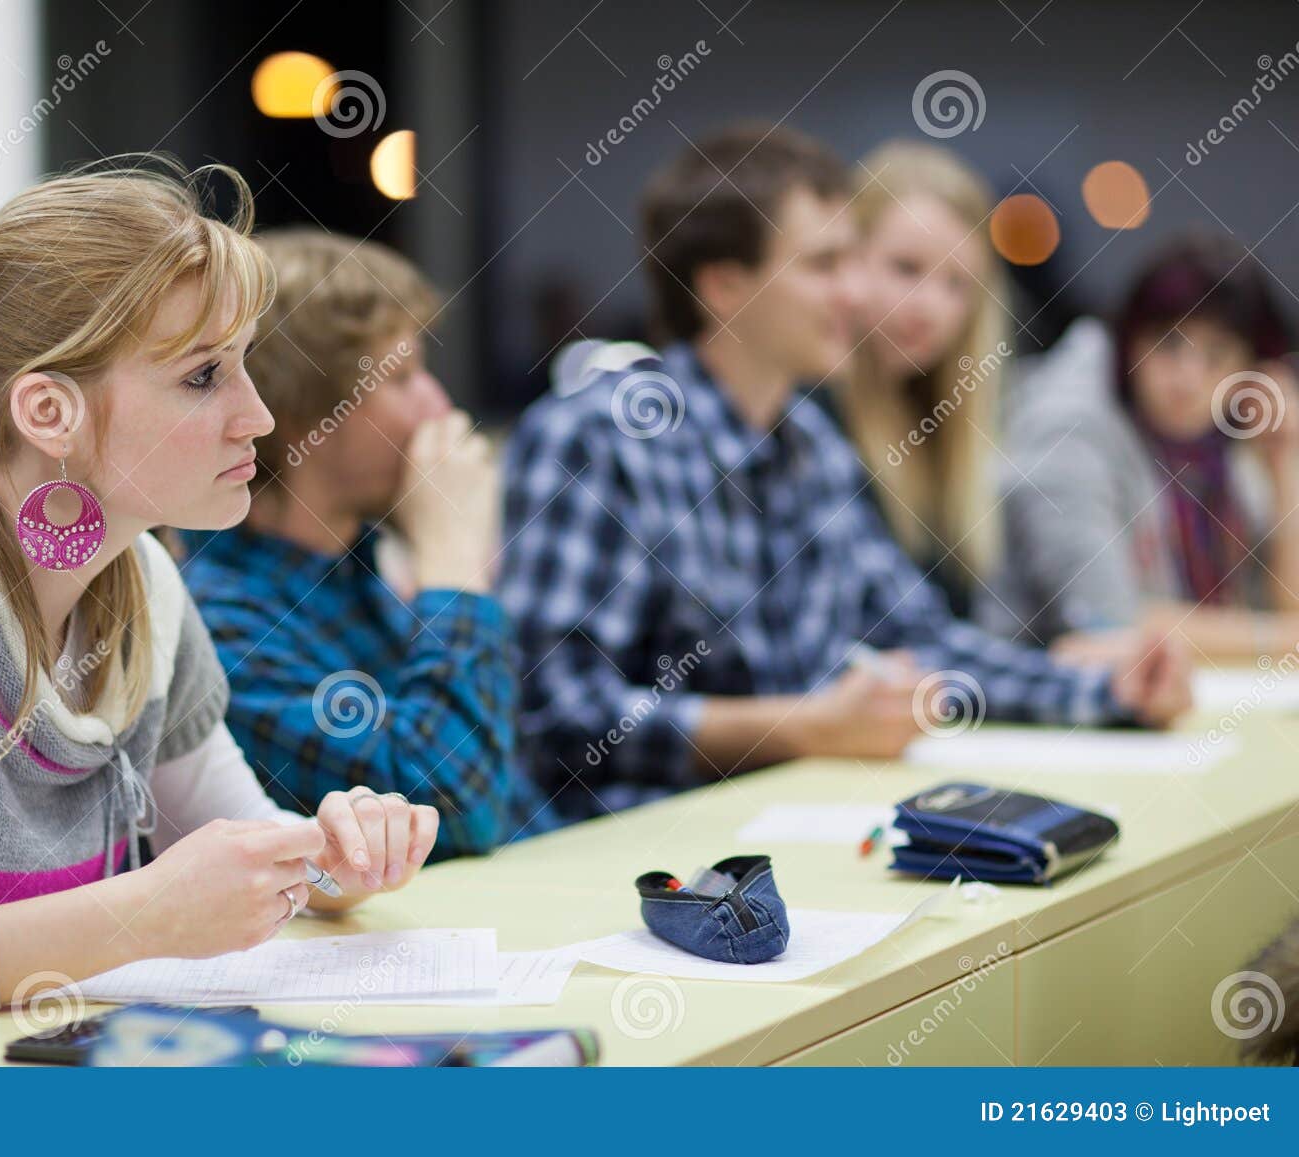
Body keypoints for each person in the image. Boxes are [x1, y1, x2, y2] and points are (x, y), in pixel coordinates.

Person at [0, 161, 438, 1025]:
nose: (259, 417)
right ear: (49, 412)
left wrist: (330, 859)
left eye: (244, 366)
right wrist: (131, 917)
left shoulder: (148, 589)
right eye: (204, 376)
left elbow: (248, 852)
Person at [499, 123, 1192, 819]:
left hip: (782, 833)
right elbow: (558, 719)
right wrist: (803, 725)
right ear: (723, 286)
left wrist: (1110, 693)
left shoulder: (808, 443)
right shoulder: (595, 438)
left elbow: (918, 638)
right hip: (631, 863)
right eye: (825, 265)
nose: (857, 293)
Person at [180, 229, 557, 857]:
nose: (438, 406)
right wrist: (454, 564)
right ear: (300, 412)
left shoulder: (356, 572)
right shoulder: (222, 624)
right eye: (402, 376)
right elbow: (456, 811)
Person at [985, 233, 1299, 658]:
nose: (1188, 379)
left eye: (1217, 354)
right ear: (1129, 339)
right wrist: (1284, 639)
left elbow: (1286, 605)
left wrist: (1287, 459)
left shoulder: (1221, 446)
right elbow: (1109, 621)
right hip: (1033, 702)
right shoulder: (1067, 428)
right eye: (1169, 344)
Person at [819, 140, 1008, 618]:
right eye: (906, 268)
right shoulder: (807, 418)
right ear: (844, 260)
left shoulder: (943, 421)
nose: (932, 308)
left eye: (957, 285)